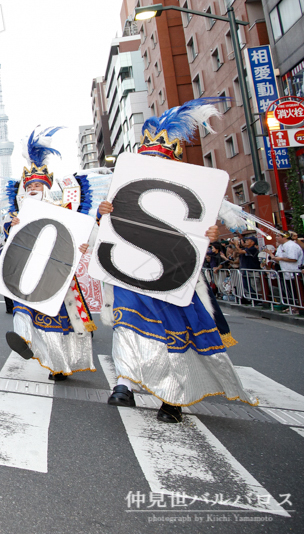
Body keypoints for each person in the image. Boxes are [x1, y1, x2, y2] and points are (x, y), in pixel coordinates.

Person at [102, 98, 255, 423]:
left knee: (174, 337)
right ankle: (123, 384)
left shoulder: (190, 192)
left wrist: (210, 233)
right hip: (132, 268)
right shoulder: (125, 190)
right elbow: (105, 233)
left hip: (173, 272)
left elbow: (214, 227)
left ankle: (173, 399)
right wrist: (103, 215)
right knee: (126, 326)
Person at [3, 127, 97, 382]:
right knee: (22, 308)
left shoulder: (64, 210)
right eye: (29, 184)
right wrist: (12, 228)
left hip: (55, 274)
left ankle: (59, 365)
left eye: (38, 184)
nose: (33, 187)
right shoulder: (18, 216)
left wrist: (82, 245)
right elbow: (10, 241)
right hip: (27, 272)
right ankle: (22, 338)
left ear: (46, 187)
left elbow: (78, 235)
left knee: (57, 324)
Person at [264, 233, 304, 313]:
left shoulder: (292, 245)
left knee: (296, 291)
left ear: (284, 237)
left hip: (294, 272)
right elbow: (278, 259)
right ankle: (292, 306)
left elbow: (293, 259)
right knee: (289, 291)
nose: (276, 238)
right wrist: (272, 256)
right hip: (285, 272)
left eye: (278, 236)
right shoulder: (281, 246)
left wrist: (280, 258)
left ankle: (297, 307)